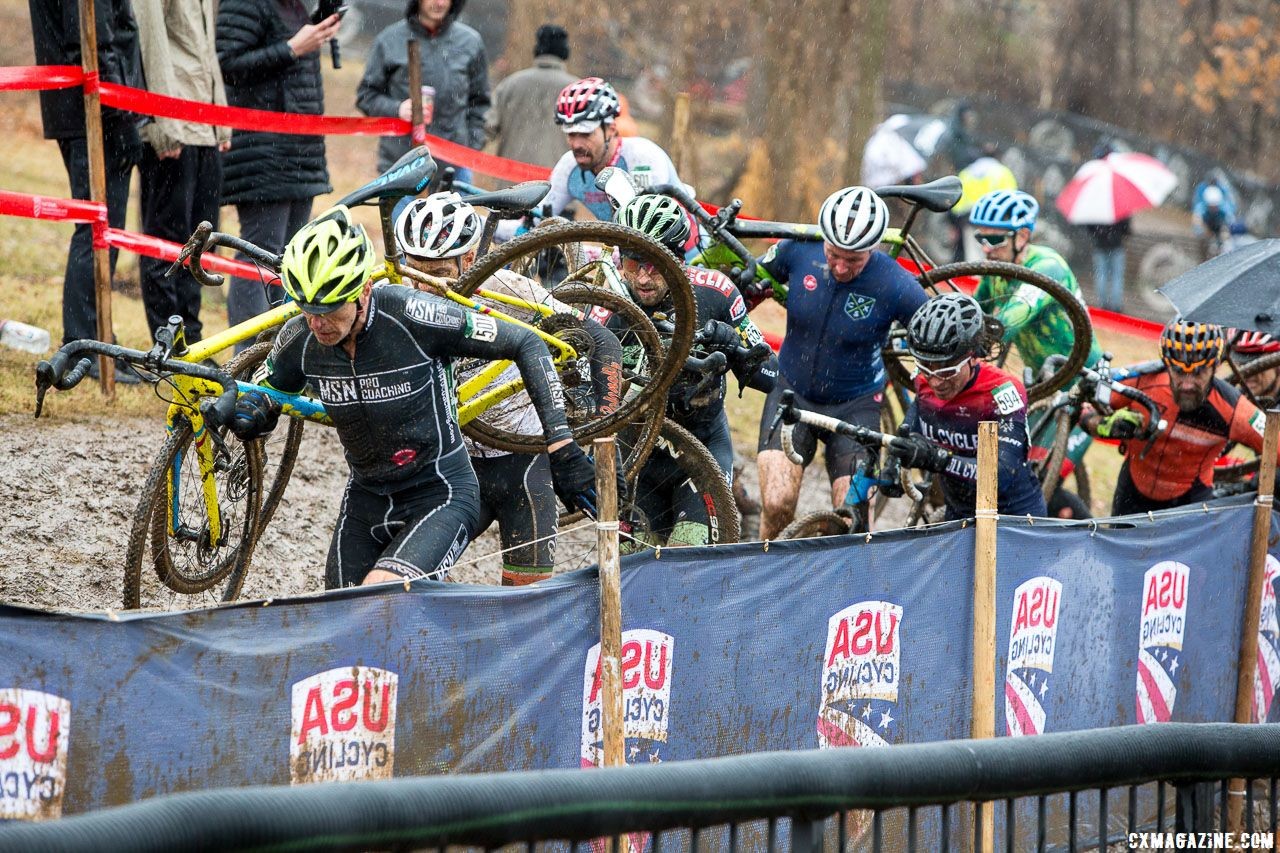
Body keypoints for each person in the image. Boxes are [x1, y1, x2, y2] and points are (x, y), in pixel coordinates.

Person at [229, 206, 601, 588]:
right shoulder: (301, 338)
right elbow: (270, 390)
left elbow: (526, 341)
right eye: (307, 308)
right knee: (340, 619)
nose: (317, 322)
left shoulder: (415, 315)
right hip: (366, 498)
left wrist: (564, 447)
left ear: (364, 290)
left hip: (440, 492)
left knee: (383, 595)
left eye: (329, 308)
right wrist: (253, 410)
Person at [394, 192, 624, 585]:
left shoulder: (511, 290)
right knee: (410, 583)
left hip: (523, 459)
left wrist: (604, 439)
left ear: (468, 260)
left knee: (526, 606)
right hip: (454, 463)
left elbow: (603, 342)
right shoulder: (397, 295)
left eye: (436, 271)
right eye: (413, 269)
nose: (423, 284)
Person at [754, 186, 929, 540]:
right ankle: (763, 581)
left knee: (853, 523)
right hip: (792, 392)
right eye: (834, 254)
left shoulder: (894, 282)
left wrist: (917, 415)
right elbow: (748, 287)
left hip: (856, 406)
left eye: (854, 260)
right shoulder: (797, 248)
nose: (840, 266)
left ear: (873, 250)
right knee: (777, 504)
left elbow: (933, 341)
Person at [613, 194, 778, 546]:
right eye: (632, 264)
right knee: (631, 575)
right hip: (636, 455)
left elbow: (771, 376)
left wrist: (734, 345)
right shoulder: (610, 302)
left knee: (686, 564)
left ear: (677, 259)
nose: (642, 277)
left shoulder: (715, 293)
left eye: (655, 265)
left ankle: (739, 512)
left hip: (701, 449)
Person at [28, 0, 144, 383]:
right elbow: (92, 42)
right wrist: (121, 113)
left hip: (86, 108)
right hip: (92, 111)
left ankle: (97, 335)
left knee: (103, 226)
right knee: (95, 227)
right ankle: (82, 342)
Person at [217, 0, 340, 350]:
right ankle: (246, 355)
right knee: (259, 254)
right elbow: (227, 65)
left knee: (291, 258)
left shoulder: (297, 6)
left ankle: (280, 354)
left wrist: (313, 34)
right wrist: (290, 49)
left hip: (301, 151)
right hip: (261, 149)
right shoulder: (245, 5)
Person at [1079, 320, 1278, 516]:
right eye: (1179, 371)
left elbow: (1277, 448)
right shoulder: (1144, 380)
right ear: (1167, 364)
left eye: (1199, 372)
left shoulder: (1234, 409)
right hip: (1132, 496)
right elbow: (1084, 406)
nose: (1187, 384)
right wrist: (1104, 425)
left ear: (1215, 366)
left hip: (1189, 506)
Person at [888, 293, 1047, 519]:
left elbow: (1001, 476)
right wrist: (893, 463)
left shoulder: (1003, 390)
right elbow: (912, 426)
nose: (935, 381)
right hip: (960, 513)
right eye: (926, 368)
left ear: (973, 357)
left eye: (947, 371)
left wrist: (938, 459)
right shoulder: (924, 380)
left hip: (1013, 518)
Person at [133, 0, 230, 345]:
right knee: (165, 243)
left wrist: (221, 120)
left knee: (200, 244)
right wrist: (162, 123)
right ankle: (168, 343)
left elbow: (205, 51)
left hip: (205, 125)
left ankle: (192, 339)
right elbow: (150, 45)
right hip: (173, 126)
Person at [357, 0, 489, 182]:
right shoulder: (389, 40)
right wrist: (397, 109)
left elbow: (480, 102)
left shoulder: (471, 42)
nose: (439, 2)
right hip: (401, 165)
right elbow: (366, 96)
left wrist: (471, 145)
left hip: (454, 169)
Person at [542, 77, 683, 224]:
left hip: (685, 244)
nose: (576, 144)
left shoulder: (641, 157)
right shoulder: (569, 166)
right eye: (571, 134)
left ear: (611, 130)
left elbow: (648, 231)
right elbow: (536, 220)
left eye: (586, 134)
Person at [484, 24, 577, 171]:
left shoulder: (510, 85)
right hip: (560, 184)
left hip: (510, 183)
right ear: (565, 52)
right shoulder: (577, 90)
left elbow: (484, 129)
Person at [1085, 217, 1131, 313]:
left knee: (1101, 275)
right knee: (1117, 277)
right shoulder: (1120, 208)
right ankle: (1116, 306)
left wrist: (1098, 234)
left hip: (1100, 246)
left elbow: (1089, 227)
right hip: (1116, 245)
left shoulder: (1096, 210)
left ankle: (1103, 304)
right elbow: (1127, 229)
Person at [1192, 180, 1235, 260]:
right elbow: (1197, 221)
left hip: (1220, 225)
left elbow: (1230, 222)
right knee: (1203, 241)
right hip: (1207, 225)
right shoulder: (1201, 208)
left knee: (1225, 239)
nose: (1213, 208)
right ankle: (1203, 258)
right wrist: (1202, 232)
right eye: (1211, 206)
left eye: (1215, 206)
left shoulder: (1225, 208)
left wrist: (1225, 234)